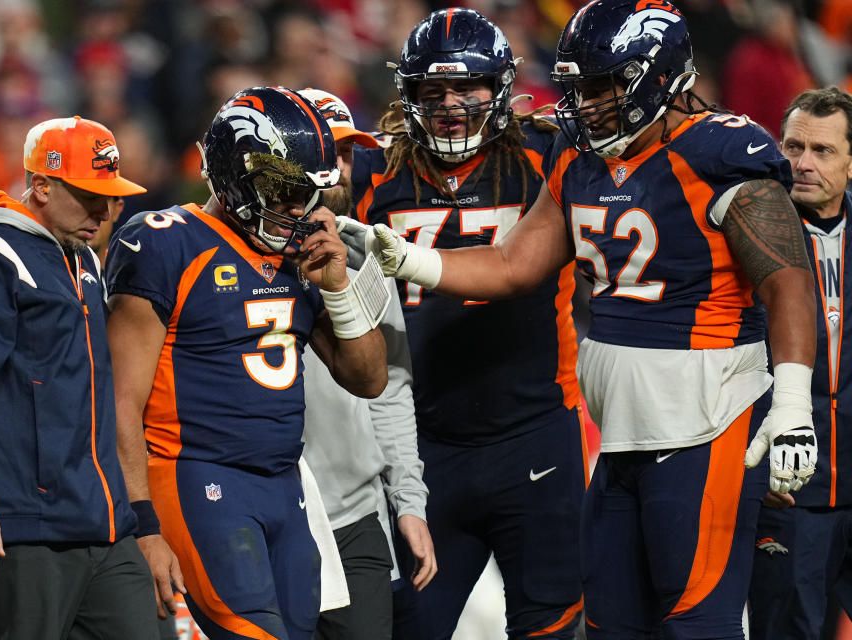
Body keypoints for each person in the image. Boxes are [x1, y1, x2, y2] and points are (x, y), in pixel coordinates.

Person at [340, 1, 820, 637]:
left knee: (695, 621)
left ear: (658, 78)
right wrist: (412, 259)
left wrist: (792, 403)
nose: (585, 105)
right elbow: (515, 263)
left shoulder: (721, 149)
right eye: (576, 90)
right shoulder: (577, 154)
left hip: (709, 414)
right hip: (622, 429)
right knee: (612, 623)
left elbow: (788, 278)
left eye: (601, 88)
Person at [104, 86, 388, 640]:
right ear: (234, 175)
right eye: (282, 188)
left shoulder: (301, 254)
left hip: (284, 484)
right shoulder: (165, 242)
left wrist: (337, 288)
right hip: (197, 476)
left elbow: (370, 378)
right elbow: (119, 402)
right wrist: (141, 523)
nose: (295, 206)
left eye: (306, 191)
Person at [340, 8, 588, 638]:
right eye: (433, 90)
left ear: (501, 86)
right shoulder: (375, 172)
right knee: (411, 627)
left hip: (535, 432)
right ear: (409, 94)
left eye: (468, 88)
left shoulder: (549, 156)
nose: (450, 105)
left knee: (553, 625)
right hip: (424, 446)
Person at [0, 115, 161, 639]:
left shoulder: (83, 259)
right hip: (24, 529)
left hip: (103, 526)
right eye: (87, 194)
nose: (102, 210)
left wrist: (136, 521)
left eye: (108, 195)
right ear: (43, 185)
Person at [297, 87, 436, 640]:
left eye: (348, 153)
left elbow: (390, 392)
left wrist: (408, 500)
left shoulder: (367, 257)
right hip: (264, 510)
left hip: (355, 517)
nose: (340, 169)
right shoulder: (227, 258)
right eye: (328, 152)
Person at [749, 86, 852, 640]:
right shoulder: (747, 236)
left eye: (823, 150)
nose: (803, 163)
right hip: (789, 493)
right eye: (792, 147)